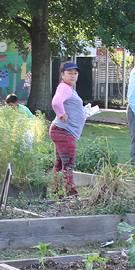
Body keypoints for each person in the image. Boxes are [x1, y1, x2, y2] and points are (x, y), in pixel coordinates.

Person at [50, 62, 86, 197]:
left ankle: (56, 192)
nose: (73, 76)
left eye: (75, 73)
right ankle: (72, 194)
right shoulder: (64, 88)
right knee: (68, 164)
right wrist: (61, 114)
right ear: (62, 74)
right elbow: (56, 102)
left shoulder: (67, 88)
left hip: (61, 130)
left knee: (60, 163)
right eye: (69, 73)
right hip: (63, 131)